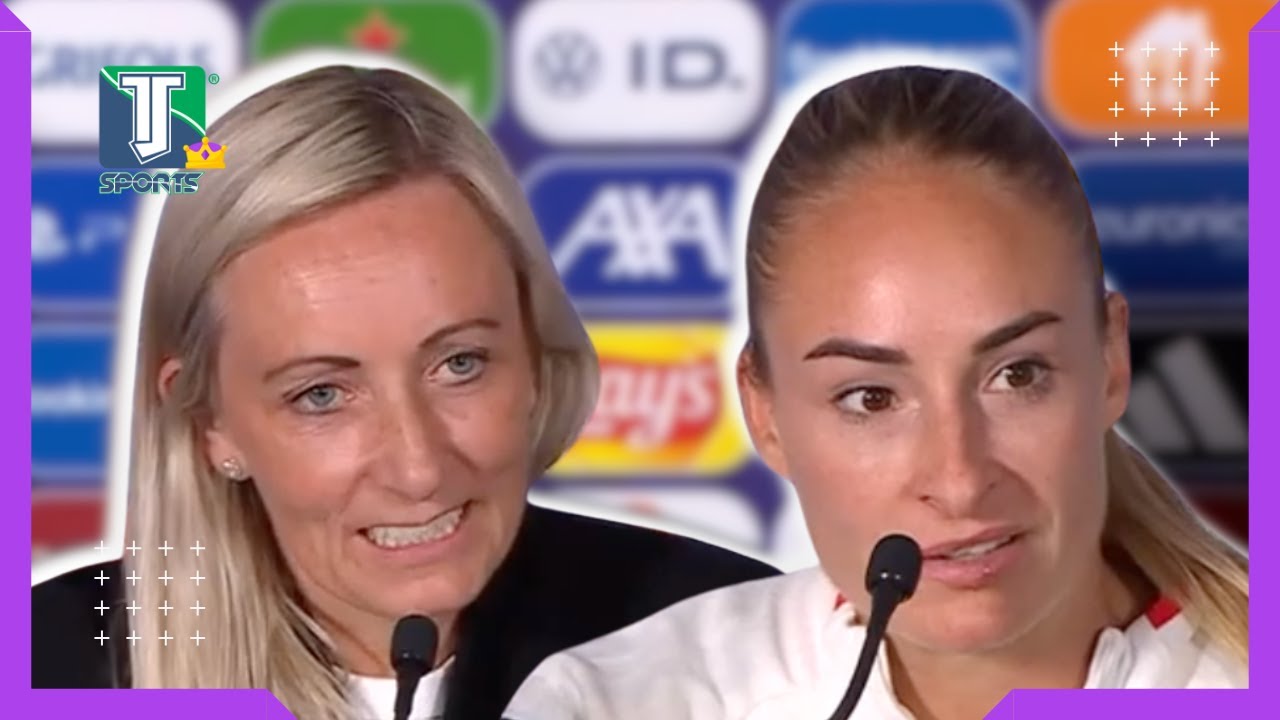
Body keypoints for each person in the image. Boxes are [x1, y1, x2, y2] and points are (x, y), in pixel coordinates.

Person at [29, 64, 778, 720]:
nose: (418, 468)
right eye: (322, 395)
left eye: (460, 364)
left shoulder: (720, 639)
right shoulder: (47, 664)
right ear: (209, 421)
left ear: (532, 351)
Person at [502, 65, 1250, 720]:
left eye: (1017, 375)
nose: (958, 481)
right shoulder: (616, 705)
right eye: (870, 398)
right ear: (766, 415)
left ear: (1110, 362)